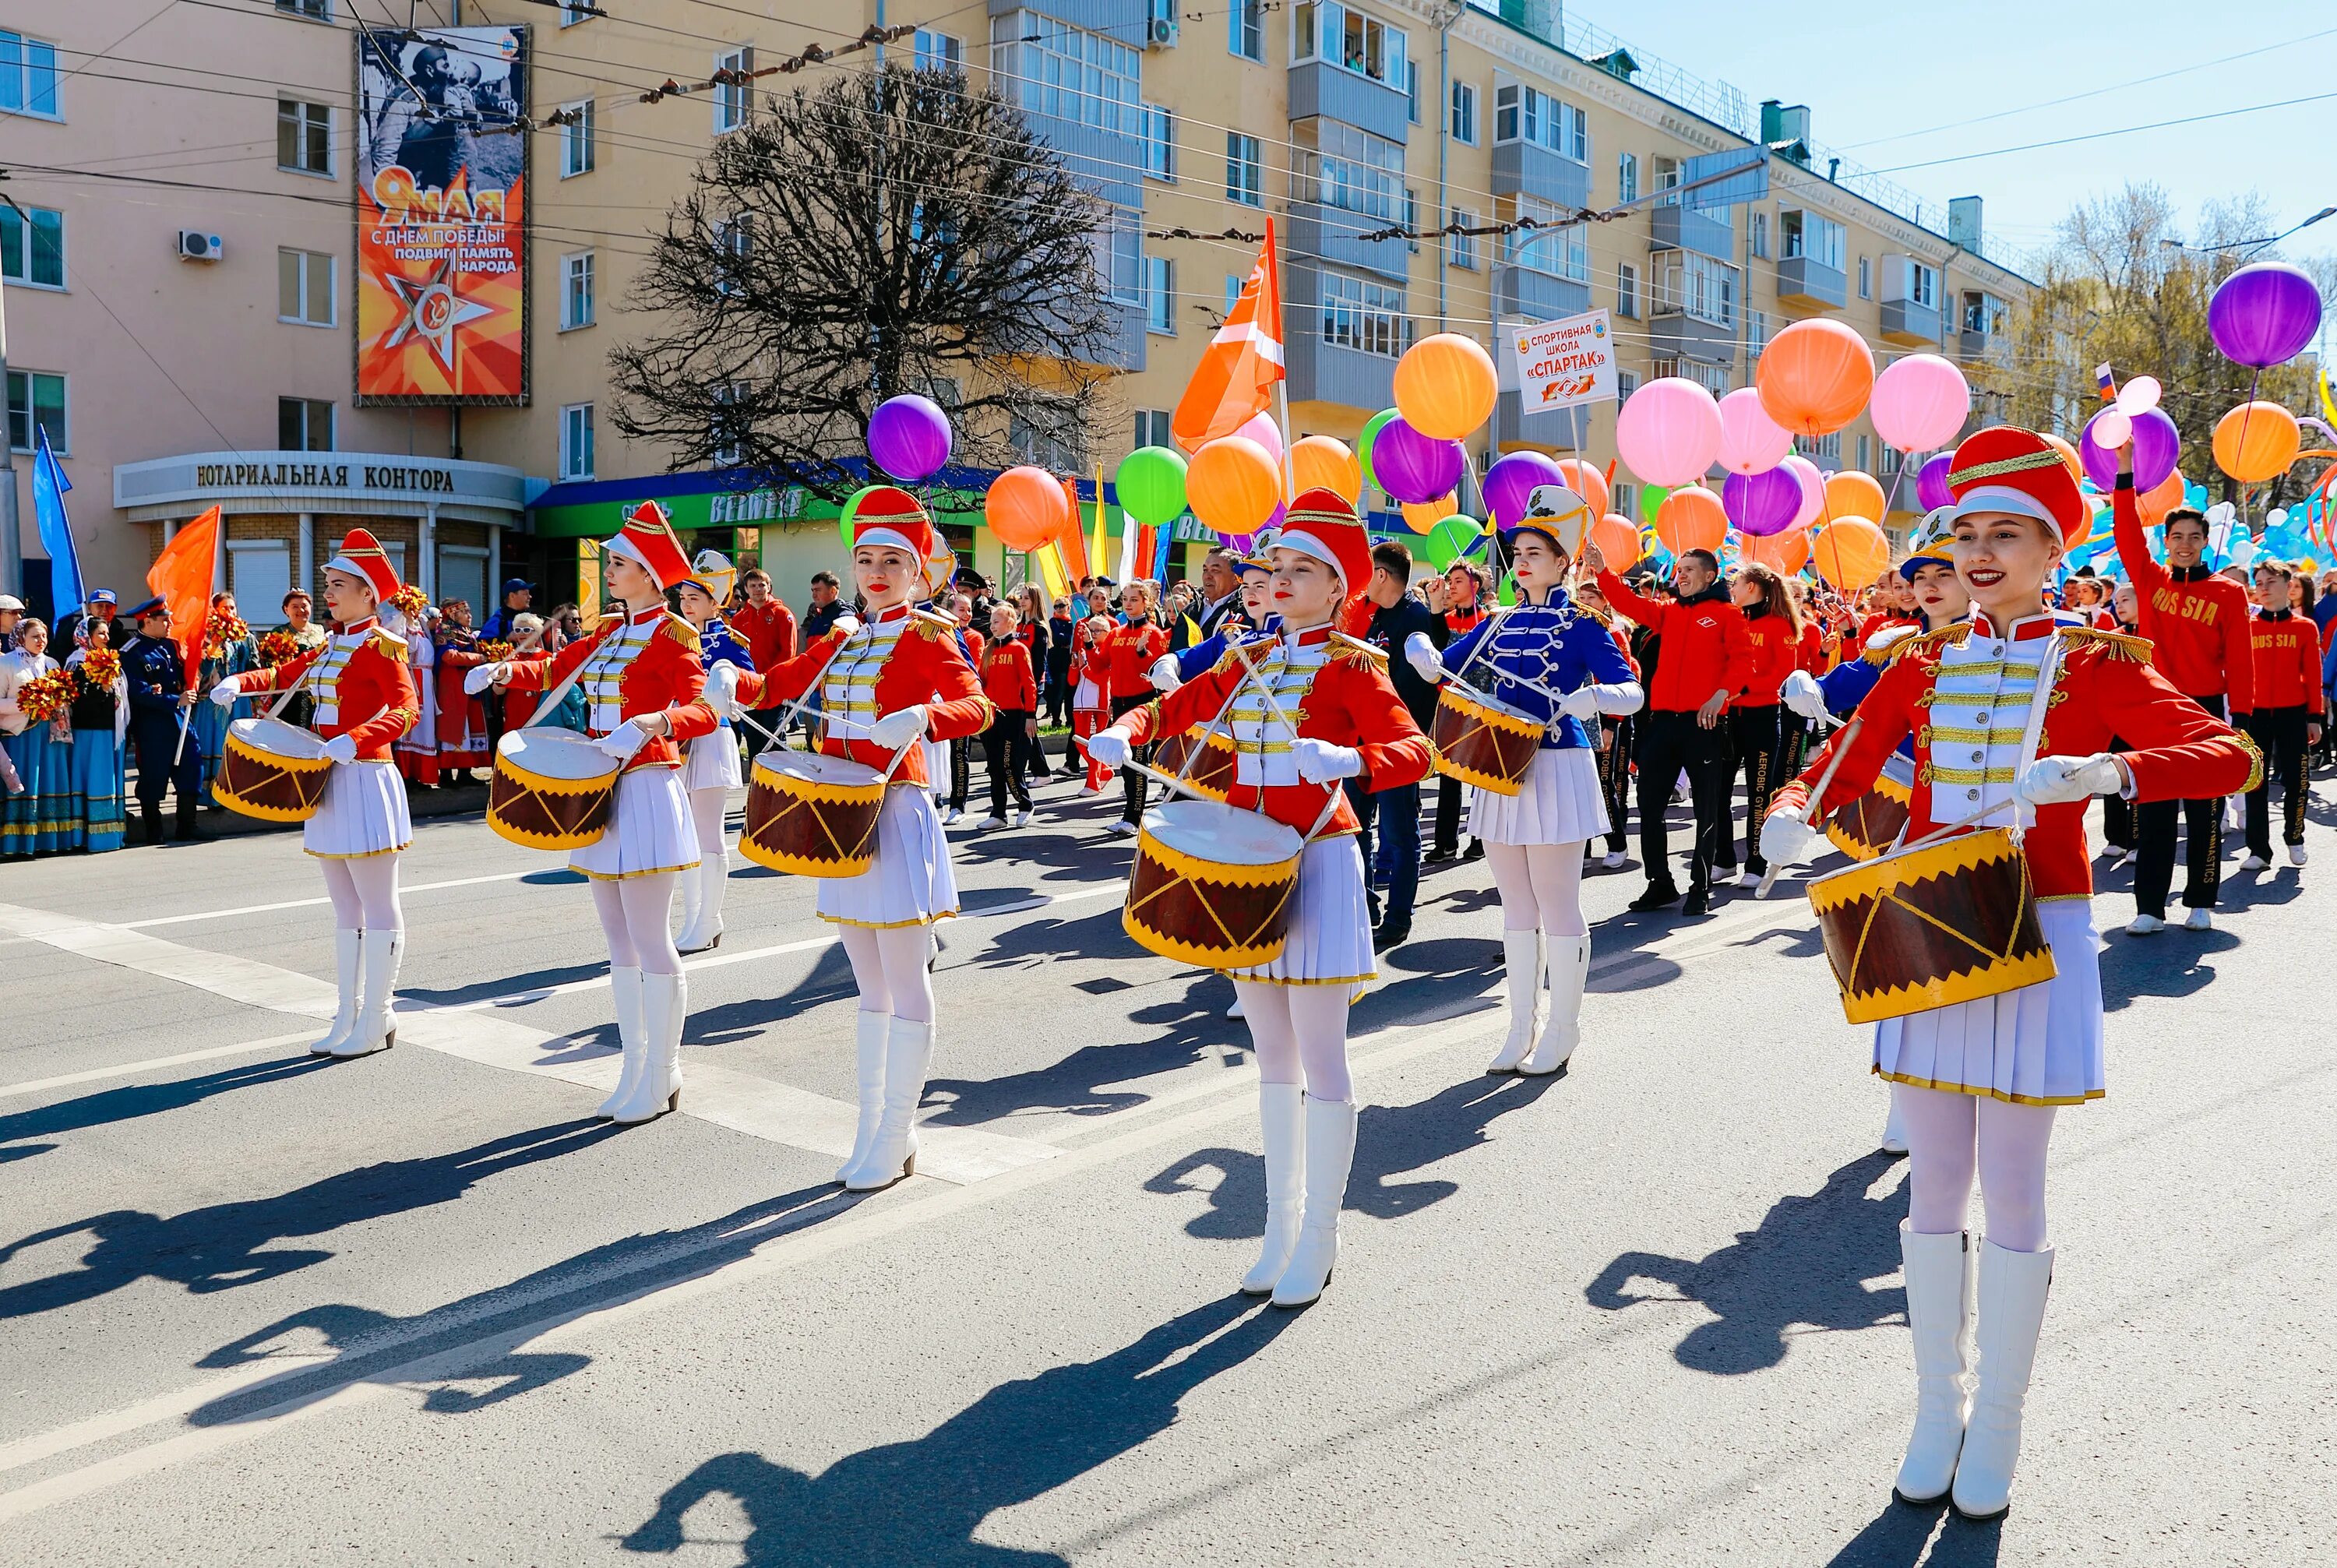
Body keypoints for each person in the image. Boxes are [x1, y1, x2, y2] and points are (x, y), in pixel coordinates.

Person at [1761, 427, 2256, 1521]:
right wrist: (1791, 815)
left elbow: (2231, 754)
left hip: (2044, 934)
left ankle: (2002, 1416)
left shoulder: (2096, 662)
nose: (1981, 551)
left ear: (2051, 552)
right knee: (1934, 1180)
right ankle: (1935, 1406)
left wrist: (2109, 767)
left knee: (2018, 1185)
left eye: (2008, 534)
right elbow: (1836, 765)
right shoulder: (1921, 661)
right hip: (1931, 933)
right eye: (1966, 532)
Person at [1088, 488, 1432, 1306]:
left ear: (1339, 587)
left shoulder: (1354, 666)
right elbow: (1178, 706)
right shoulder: (1247, 660)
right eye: (1276, 565)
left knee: (1323, 1058)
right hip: (1252, 868)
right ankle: (1280, 1227)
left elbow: (1413, 750)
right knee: (1270, 1056)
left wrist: (1348, 763)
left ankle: (1321, 1234)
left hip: (1318, 859)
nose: (1279, 580)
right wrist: (1125, 731)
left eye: (1301, 570)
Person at [749, 488, 994, 1190]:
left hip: (896, 808)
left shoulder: (929, 634)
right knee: (868, 986)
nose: (877, 571)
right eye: (866, 559)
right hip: (841, 815)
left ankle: (895, 1131)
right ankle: (874, 1125)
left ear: (919, 571)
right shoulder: (844, 634)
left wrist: (924, 714)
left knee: (904, 975)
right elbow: (781, 683)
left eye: (893, 560)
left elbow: (977, 704)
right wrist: (736, 681)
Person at [472, 505, 714, 1123]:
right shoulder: (608, 632)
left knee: (651, 936)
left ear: (653, 575)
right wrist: (505, 669)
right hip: (601, 792)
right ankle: (634, 1064)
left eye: (622, 563)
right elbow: (559, 667)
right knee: (616, 938)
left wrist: (656, 722)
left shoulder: (673, 635)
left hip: (647, 787)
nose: (611, 570)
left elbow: (703, 710)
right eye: (611, 561)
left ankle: (662, 1072)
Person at [1406, 487, 1644, 1074]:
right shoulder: (1499, 621)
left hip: (1558, 764)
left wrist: (1596, 696)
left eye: (1537, 550)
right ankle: (1520, 1025)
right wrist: (1419, 648)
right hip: (1497, 766)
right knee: (1515, 907)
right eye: (1518, 550)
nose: (1524, 559)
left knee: (1558, 903)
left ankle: (1564, 1026)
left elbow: (1632, 691)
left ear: (1564, 560)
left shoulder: (1584, 624)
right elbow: (1447, 662)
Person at [1783, 514, 1970, 1158]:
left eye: (1946, 571)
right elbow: (1845, 708)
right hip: (1910, 828)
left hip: (1988, 830)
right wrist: (1809, 687)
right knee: (1902, 969)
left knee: (1975, 977)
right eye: (1922, 575)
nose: (1931, 585)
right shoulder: (1897, 648)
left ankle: (1960, 1097)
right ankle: (1903, 1097)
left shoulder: (2018, 648)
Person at [212, 529, 421, 1057]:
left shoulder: (382, 645)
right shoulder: (333, 643)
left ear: (370, 593)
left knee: (377, 903)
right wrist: (242, 683)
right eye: (327, 583)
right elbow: (288, 674)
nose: (328, 592)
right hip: (328, 777)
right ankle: (348, 1013)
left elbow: (406, 709)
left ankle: (378, 1015)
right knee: (344, 907)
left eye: (339, 584)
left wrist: (358, 737)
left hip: (366, 776)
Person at [2110, 500, 2254, 934]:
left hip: (2205, 711)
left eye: (2194, 537)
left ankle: (2201, 900)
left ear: (2206, 542)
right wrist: (2124, 472)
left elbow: (2242, 659)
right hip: (2155, 710)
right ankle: (2150, 908)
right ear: (2166, 542)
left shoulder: (2229, 593)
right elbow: (2127, 534)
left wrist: (2241, 721)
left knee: (2204, 811)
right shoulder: (2151, 579)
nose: (2185, 544)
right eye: (2177, 537)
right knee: (2154, 811)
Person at [1593, 548, 1754, 916]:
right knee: (1649, 806)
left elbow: (1744, 661)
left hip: (1704, 723)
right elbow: (1629, 603)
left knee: (1706, 808)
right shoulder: (1668, 612)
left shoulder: (1728, 614)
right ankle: (1660, 883)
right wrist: (1603, 571)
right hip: (1662, 723)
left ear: (1710, 576)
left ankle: (1701, 886)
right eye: (1679, 570)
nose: (1680, 576)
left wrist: (1721, 695)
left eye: (1689, 571)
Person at [1355, 541, 1447, 949]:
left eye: (1365, 570)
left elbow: (1433, 670)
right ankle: (1367, 905)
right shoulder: (1372, 615)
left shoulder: (1417, 618)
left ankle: (1398, 917)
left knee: (1399, 835)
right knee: (1356, 829)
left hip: (1398, 746)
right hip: (1360, 743)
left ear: (1381, 575)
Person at [672, 551, 761, 953]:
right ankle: (694, 917)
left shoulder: (729, 641)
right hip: (675, 738)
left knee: (706, 833)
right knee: (684, 836)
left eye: (695, 597)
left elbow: (753, 686)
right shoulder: (673, 637)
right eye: (684, 597)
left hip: (710, 736)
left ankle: (708, 919)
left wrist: (728, 690)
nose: (685, 604)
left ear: (715, 601)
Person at [1718, 563, 1802, 886]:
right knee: (1718, 791)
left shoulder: (1779, 626)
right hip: (1728, 717)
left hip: (1762, 718)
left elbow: (1782, 675)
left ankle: (1755, 863)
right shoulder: (1732, 620)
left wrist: (1744, 689)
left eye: (1736, 584)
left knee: (1758, 792)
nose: (1732, 590)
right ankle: (1723, 859)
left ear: (1752, 587)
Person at [2241, 559, 2321, 870]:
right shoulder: (2246, 626)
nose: (2263, 588)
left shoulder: (2305, 627)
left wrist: (2314, 716)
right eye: (2259, 583)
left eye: (2270, 582)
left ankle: (2295, 837)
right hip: (2255, 714)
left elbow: (2312, 675)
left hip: (2294, 714)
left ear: (2288, 587)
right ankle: (2259, 850)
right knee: (2256, 783)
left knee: (2298, 782)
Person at [118, 597, 208, 845]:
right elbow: (136, 691)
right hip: (152, 724)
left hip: (181, 719)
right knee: (153, 776)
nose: (170, 623)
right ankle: (153, 829)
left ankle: (187, 825)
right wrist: (174, 699)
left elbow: (186, 674)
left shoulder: (172, 646)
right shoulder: (131, 651)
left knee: (191, 768)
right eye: (164, 619)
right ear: (147, 621)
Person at [1574, 579, 1639, 870]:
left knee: (1602, 783)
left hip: (1608, 717)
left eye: (1591, 596)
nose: (1585, 601)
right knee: (1578, 785)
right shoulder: (1574, 629)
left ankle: (1617, 843)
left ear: (1604, 602)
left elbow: (1622, 683)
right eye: (1581, 596)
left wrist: (1612, 724)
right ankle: (1583, 848)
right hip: (1579, 715)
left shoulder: (1613, 632)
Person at [1098, 581, 1168, 833]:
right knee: (1125, 762)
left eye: (1134, 599)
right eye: (1125, 599)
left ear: (1146, 603)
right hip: (1118, 702)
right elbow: (1100, 665)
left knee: (1137, 761)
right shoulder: (1116, 633)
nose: (1128, 603)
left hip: (1142, 702)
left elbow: (1157, 673)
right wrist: (1087, 644)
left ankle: (1133, 818)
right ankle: (1130, 815)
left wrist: (1142, 652)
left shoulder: (1154, 633)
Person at [1, 618, 69, 856]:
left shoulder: (51, 664)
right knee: (27, 781)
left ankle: (48, 840)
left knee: (48, 781)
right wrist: (26, 703)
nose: (41, 641)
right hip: (21, 735)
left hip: (49, 733)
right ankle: (18, 843)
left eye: (44, 636)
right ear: (22, 637)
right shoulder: (7, 662)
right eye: (35, 637)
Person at [62, 617, 129, 854]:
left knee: (108, 779)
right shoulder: (77, 662)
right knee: (95, 780)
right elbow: (77, 701)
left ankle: (114, 834)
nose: (106, 638)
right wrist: (102, 690)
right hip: (90, 732)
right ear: (86, 635)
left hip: (111, 729)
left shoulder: (109, 659)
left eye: (107, 633)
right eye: (101, 633)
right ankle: (93, 836)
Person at [192, 591, 261, 804]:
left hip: (239, 700)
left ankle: (239, 791)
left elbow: (254, 667)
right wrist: (213, 647)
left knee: (239, 743)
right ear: (215, 611)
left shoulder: (247, 637)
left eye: (232, 608)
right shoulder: (207, 636)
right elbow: (202, 670)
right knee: (216, 742)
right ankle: (212, 795)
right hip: (213, 698)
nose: (229, 612)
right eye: (224, 608)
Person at [977, 604, 1038, 827]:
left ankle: (1025, 803)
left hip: (1013, 714)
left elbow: (1030, 684)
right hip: (992, 714)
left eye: (997, 621)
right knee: (993, 765)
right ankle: (998, 813)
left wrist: (1031, 714)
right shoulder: (987, 649)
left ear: (1011, 623)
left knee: (1009, 763)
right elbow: (981, 683)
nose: (992, 626)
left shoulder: (1019, 649)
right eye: (991, 622)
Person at [432, 598, 491, 784]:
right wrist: (478, 658)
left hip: (468, 686)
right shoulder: (446, 631)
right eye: (465, 612)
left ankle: (465, 772)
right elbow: (449, 657)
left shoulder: (468, 634)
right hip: (453, 687)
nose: (470, 616)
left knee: (470, 725)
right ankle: (447, 774)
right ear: (453, 614)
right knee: (453, 727)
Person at [393, 604, 442, 788]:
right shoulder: (402, 627)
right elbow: (409, 649)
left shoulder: (422, 627)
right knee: (413, 730)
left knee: (427, 729)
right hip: (415, 679)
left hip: (427, 681)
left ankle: (422, 775)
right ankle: (408, 775)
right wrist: (408, 622)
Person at [1044, 594, 1077, 732]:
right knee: (1058, 692)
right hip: (1056, 662)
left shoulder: (1072, 622)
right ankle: (1056, 720)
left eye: (1062, 606)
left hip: (1069, 661)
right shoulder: (1052, 622)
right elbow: (1057, 638)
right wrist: (1067, 640)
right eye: (1056, 606)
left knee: (1070, 693)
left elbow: (1073, 637)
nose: (1059, 609)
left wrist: (1068, 640)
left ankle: (1070, 720)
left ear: (1068, 607)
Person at [55, 587, 118, 657]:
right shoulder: (72, 631)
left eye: (109, 607)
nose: (105, 610)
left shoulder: (122, 635)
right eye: (100, 606)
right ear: (89, 608)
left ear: (115, 609)